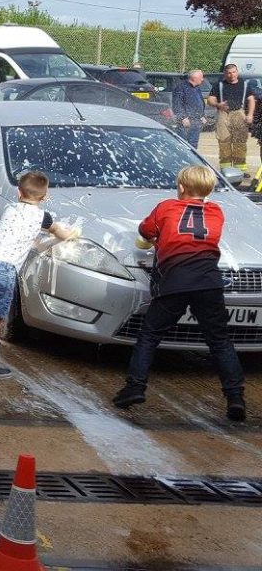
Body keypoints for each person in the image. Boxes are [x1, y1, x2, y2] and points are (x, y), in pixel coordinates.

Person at [113, 165, 246, 421]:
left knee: (150, 335)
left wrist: (157, 240)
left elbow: (145, 232)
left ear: (181, 187)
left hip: (175, 281)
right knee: (219, 341)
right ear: (209, 189)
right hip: (209, 282)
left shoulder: (166, 207)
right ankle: (235, 397)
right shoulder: (217, 211)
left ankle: (134, 388)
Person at [0, 171, 77, 378]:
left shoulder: (9, 208)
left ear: (18, 192)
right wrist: (71, 235)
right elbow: (57, 231)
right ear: (45, 197)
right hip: (3, 268)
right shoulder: (43, 217)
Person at [209, 64, 250, 171]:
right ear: (225, 74)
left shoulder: (244, 84)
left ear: (237, 72)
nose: (232, 75)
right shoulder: (219, 85)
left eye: (234, 72)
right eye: (229, 73)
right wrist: (217, 104)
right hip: (223, 114)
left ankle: (240, 170)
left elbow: (251, 99)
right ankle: (226, 169)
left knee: (240, 142)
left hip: (239, 113)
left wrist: (250, 114)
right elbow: (210, 99)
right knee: (224, 142)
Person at [171, 70, 207, 150]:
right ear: (195, 78)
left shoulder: (197, 88)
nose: (202, 79)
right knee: (182, 144)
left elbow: (200, 102)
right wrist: (183, 118)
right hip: (185, 122)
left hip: (196, 121)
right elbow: (177, 104)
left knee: (193, 145)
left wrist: (202, 115)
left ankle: (192, 158)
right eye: (201, 77)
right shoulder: (181, 88)